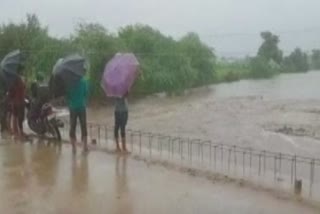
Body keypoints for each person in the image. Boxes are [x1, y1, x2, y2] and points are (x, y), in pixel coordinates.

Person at [66, 77, 88, 154]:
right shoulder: (83, 82)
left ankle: (74, 147)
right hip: (82, 106)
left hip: (73, 107)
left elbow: (68, 96)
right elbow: (85, 93)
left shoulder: (69, 84)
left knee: (72, 126)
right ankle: (85, 146)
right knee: (83, 125)